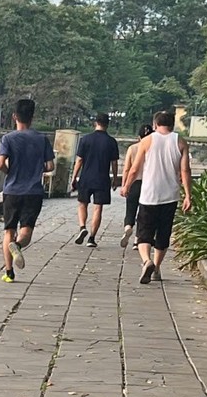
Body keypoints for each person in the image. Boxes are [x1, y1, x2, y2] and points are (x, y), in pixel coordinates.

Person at [119, 108, 192, 284]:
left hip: (149, 194)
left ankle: (147, 261)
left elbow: (135, 168)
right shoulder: (180, 142)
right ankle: (157, 268)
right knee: (163, 233)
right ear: (172, 124)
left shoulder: (147, 141)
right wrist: (188, 196)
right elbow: (185, 171)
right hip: (170, 195)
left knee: (144, 232)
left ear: (155, 124)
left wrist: (126, 185)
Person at [0, 97, 53, 282]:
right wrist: (38, 168)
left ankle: (9, 273)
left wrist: (10, 171)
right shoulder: (41, 139)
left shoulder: (8, 138)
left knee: (8, 231)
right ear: (32, 117)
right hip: (33, 192)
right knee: (26, 231)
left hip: (12, 190)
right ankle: (18, 246)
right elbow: (50, 166)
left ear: (15, 116)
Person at [70, 113, 121, 247]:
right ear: (107, 124)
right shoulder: (111, 141)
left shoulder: (86, 139)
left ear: (95, 123)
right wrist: (115, 179)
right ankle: (92, 238)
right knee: (98, 208)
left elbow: (79, 160)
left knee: (82, 203)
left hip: (86, 177)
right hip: (102, 179)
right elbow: (114, 163)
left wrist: (74, 177)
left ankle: (82, 227)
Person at [118, 119, 151, 248]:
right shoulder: (152, 148)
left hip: (134, 183)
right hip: (148, 184)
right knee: (144, 213)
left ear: (138, 137)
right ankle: (138, 240)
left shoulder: (132, 148)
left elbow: (127, 168)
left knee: (130, 209)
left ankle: (128, 227)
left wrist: (124, 185)